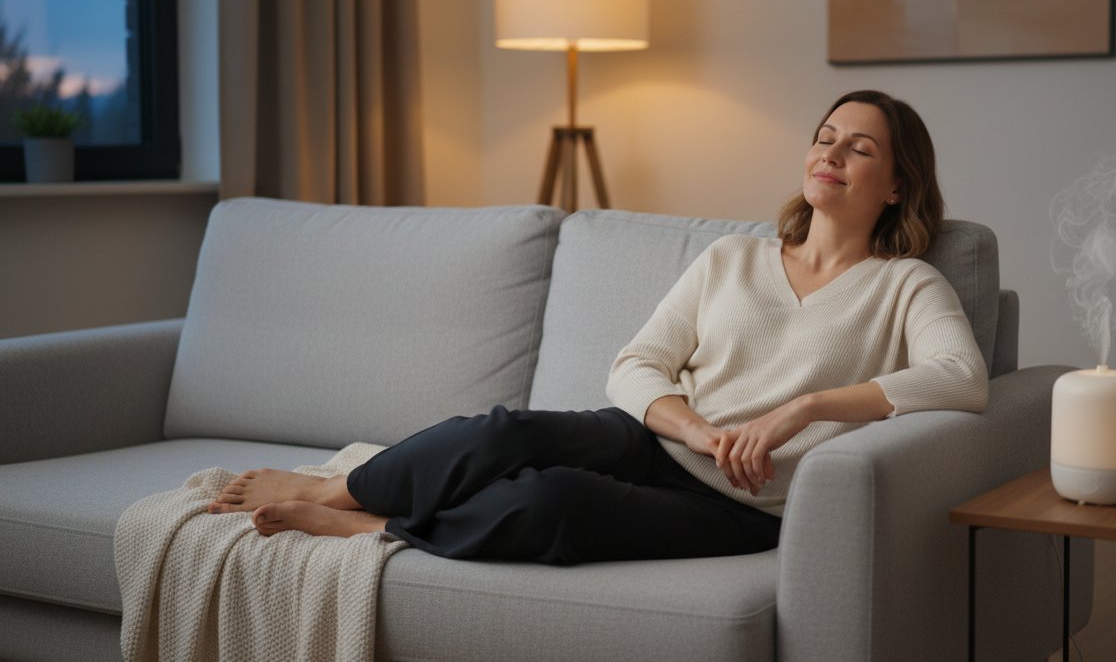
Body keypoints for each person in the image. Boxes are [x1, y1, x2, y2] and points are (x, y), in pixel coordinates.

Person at [207, 90, 990, 565]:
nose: (832, 154)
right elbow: (636, 364)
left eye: (860, 149)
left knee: (551, 506)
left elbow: (962, 378)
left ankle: (380, 525)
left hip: (743, 507)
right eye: (824, 138)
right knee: (500, 434)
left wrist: (804, 410)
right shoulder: (733, 257)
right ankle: (336, 486)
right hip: (657, 438)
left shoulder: (905, 285)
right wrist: (694, 430)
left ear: (895, 186)